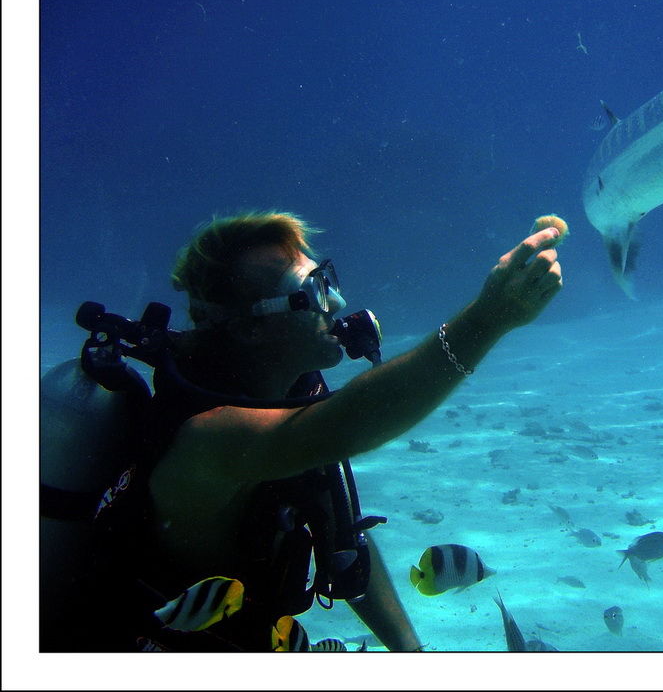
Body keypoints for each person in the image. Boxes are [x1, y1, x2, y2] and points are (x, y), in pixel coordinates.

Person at [77, 210, 563, 651]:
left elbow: (338, 525)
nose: (338, 301)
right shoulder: (210, 437)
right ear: (249, 328)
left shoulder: (293, 389)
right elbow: (346, 422)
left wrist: (412, 655)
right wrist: (488, 320)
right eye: (310, 291)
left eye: (326, 279)